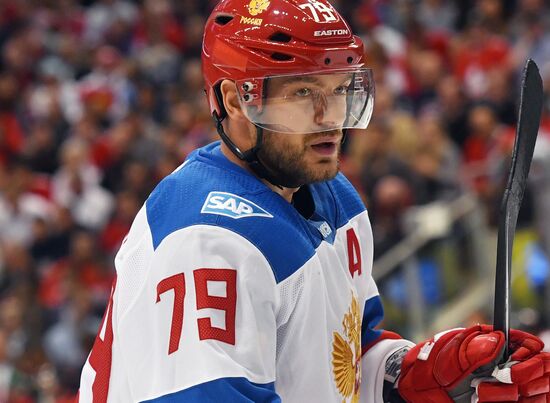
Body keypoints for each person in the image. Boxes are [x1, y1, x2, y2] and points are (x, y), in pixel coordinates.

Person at [77, 0, 550, 401]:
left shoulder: (332, 193)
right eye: (303, 93)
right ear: (234, 100)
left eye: (340, 89)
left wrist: (428, 370)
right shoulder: (205, 243)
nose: (331, 119)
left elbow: (343, 358)